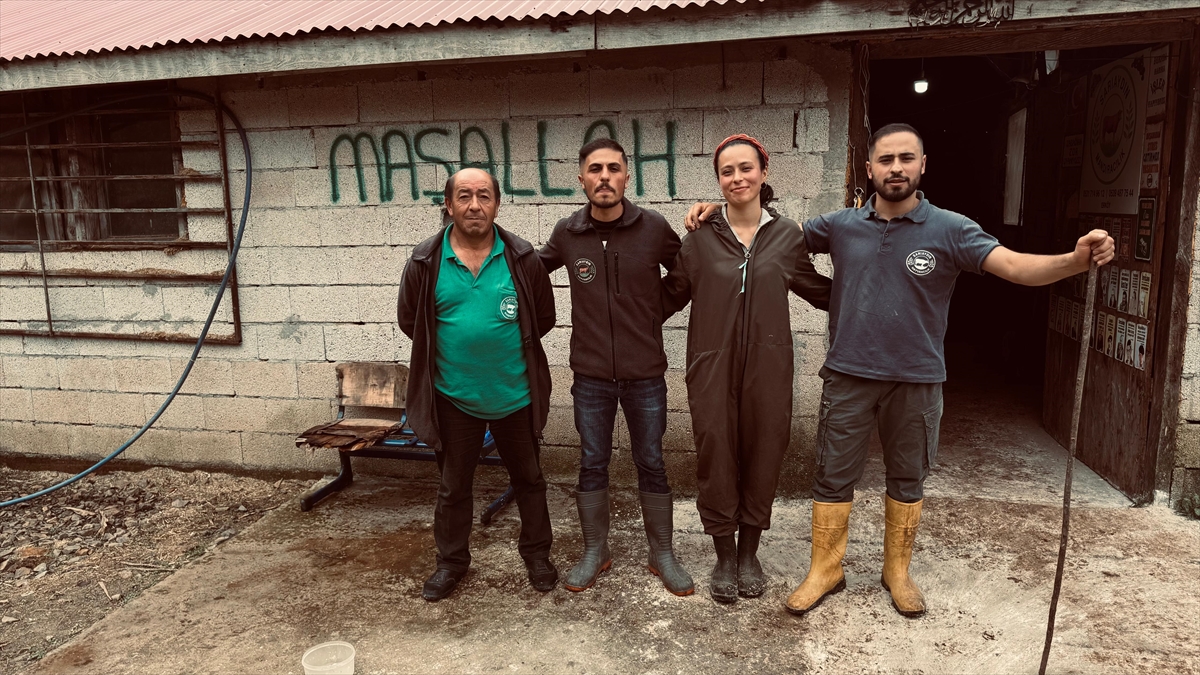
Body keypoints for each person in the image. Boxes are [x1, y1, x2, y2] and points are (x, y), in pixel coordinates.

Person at [686, 123, 1114, 617]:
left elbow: (1016, 267)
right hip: (848, 374)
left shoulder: (952, 228)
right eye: (885, 160)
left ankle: (897, 572)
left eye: (906, 158)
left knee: (907, 479)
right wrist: (718, 209)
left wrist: (1075, 260)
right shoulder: (839, 225)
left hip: (917, 376)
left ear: (922, 165)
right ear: (868, 168)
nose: (895, 168)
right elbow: (764, 232)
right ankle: (826, 570)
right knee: (832, 478)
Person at [661, 134, 832, 604]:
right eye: (727, 171)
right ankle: (723, 554)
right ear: (718, 180)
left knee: (764, 450)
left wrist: (876, 296)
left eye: (746, 168)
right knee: (715, 453)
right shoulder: (699, 240)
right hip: (711, 366)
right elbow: (667, 297)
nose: (737, 178)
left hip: (768, 368)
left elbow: (820, 291)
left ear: (764, 172)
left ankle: (749, 552)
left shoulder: (787, 236)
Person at [539, 139, 693, 595]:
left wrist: (653, 312)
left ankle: (661, 552)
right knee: (592, 462)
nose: (604, 177)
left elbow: (685, 272)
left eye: (612, 168)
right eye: (595, 169)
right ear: (581, 178)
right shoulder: (568, 233)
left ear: (627, 176)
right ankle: (595, 551)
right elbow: (531, 271)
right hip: (590, 377)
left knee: (652, 461)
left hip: (645, 374)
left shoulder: (653, 227)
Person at [397, 167, 558, 601]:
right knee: (454, 487)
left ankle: (537, 555)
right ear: (448, 205)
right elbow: (412, 322)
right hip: (454, 398)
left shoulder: (522, 259)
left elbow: (543, 318)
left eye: (484, 196)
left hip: (515, 395)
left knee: (530, 480)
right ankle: (451, 563)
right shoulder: (424, 262)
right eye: (464, 196)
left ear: (497, 204)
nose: (474, 205)